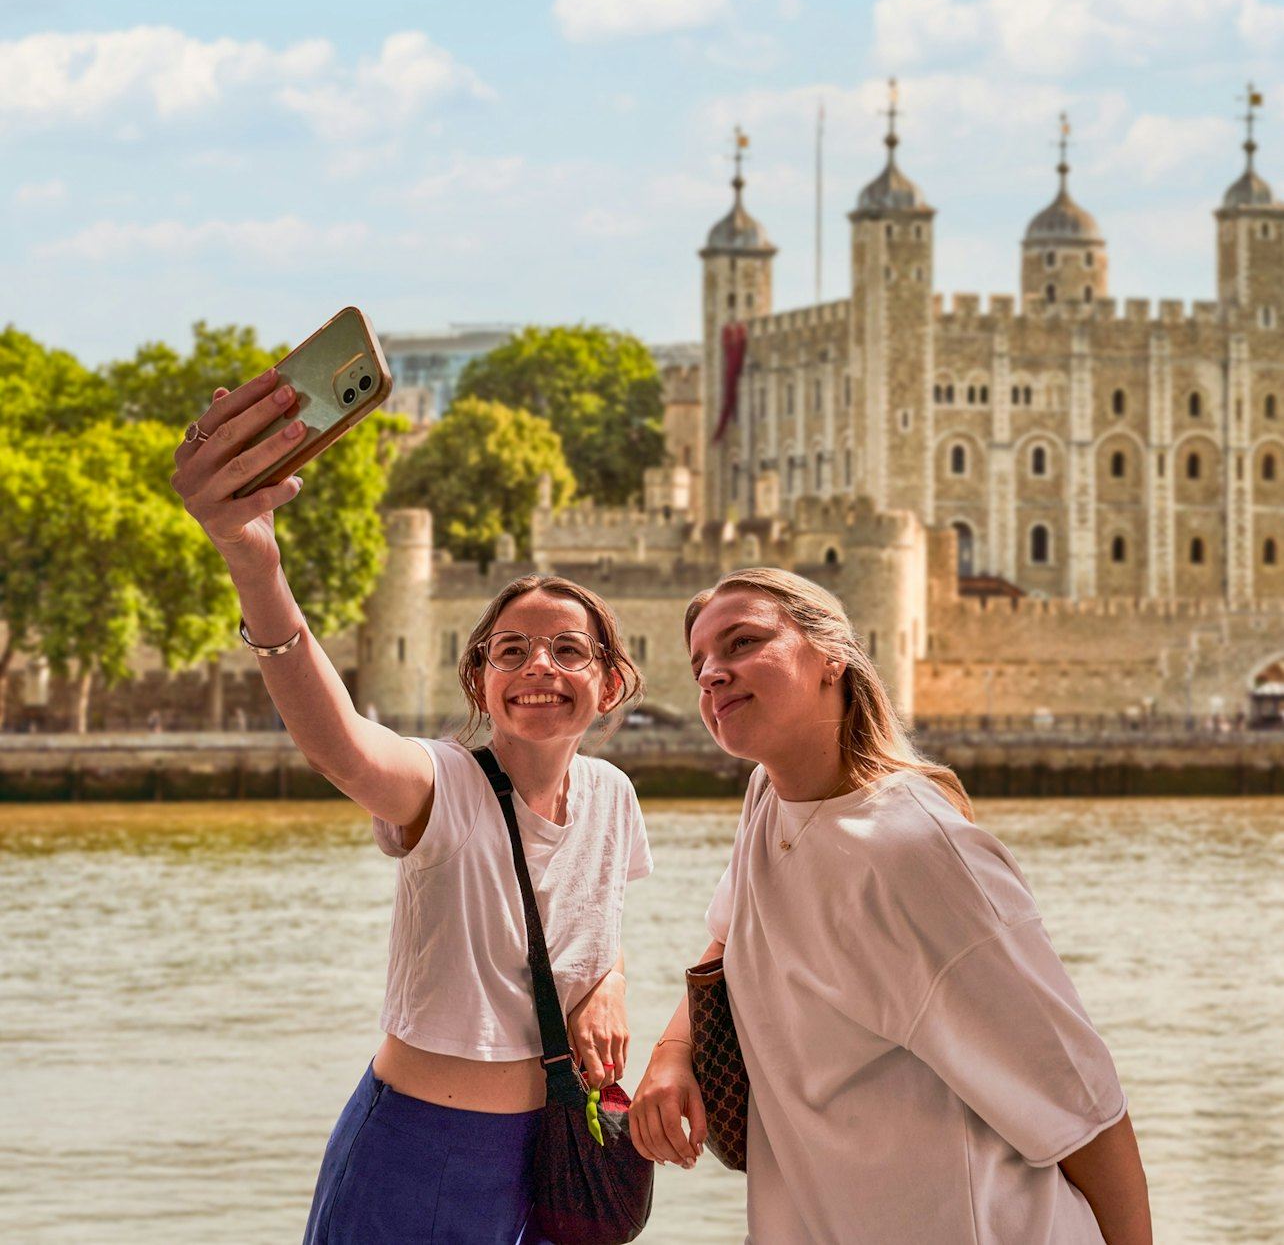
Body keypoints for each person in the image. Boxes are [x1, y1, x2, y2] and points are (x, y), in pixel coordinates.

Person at [171, 367, 653, 1243]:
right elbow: (341, 745)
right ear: (480, 680)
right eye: (512, 650)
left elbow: (593, 935)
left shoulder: (615, 797)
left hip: (557, 1152)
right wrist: (255, 561)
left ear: (612, 683)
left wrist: (611, 988)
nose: (539, 665)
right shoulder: (442, 782)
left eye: (568, 650)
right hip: (421, 1149)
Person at [631, 568, 1152, 1244]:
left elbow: (1084, 1105)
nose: (711, 674)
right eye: (700, 660)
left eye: (742, 643)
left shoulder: (920, 856)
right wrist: (672, 1054)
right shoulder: (770, 796)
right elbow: (729, 944)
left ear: (832, 658)